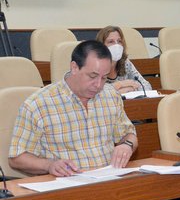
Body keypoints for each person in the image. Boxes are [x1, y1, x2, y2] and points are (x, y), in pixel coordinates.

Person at [9, 40, 138, 177]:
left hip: (109, 181)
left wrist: (127, 145)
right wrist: (49, 165)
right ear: (74, 68)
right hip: (67, 186)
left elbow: (129, 135)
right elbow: (16, 158)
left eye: (104, 78)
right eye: (92, 76)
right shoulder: (38, 104)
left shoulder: (111, 95)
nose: (98, 85)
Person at [96, 26, 152, 94]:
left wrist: (128, 89)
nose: (116, 45)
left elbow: (146, 86)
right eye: (111, 42)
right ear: (101, 46)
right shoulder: (95, 65)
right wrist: (121, 85)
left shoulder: (125, 62)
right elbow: (94, 91)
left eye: (119, 41)